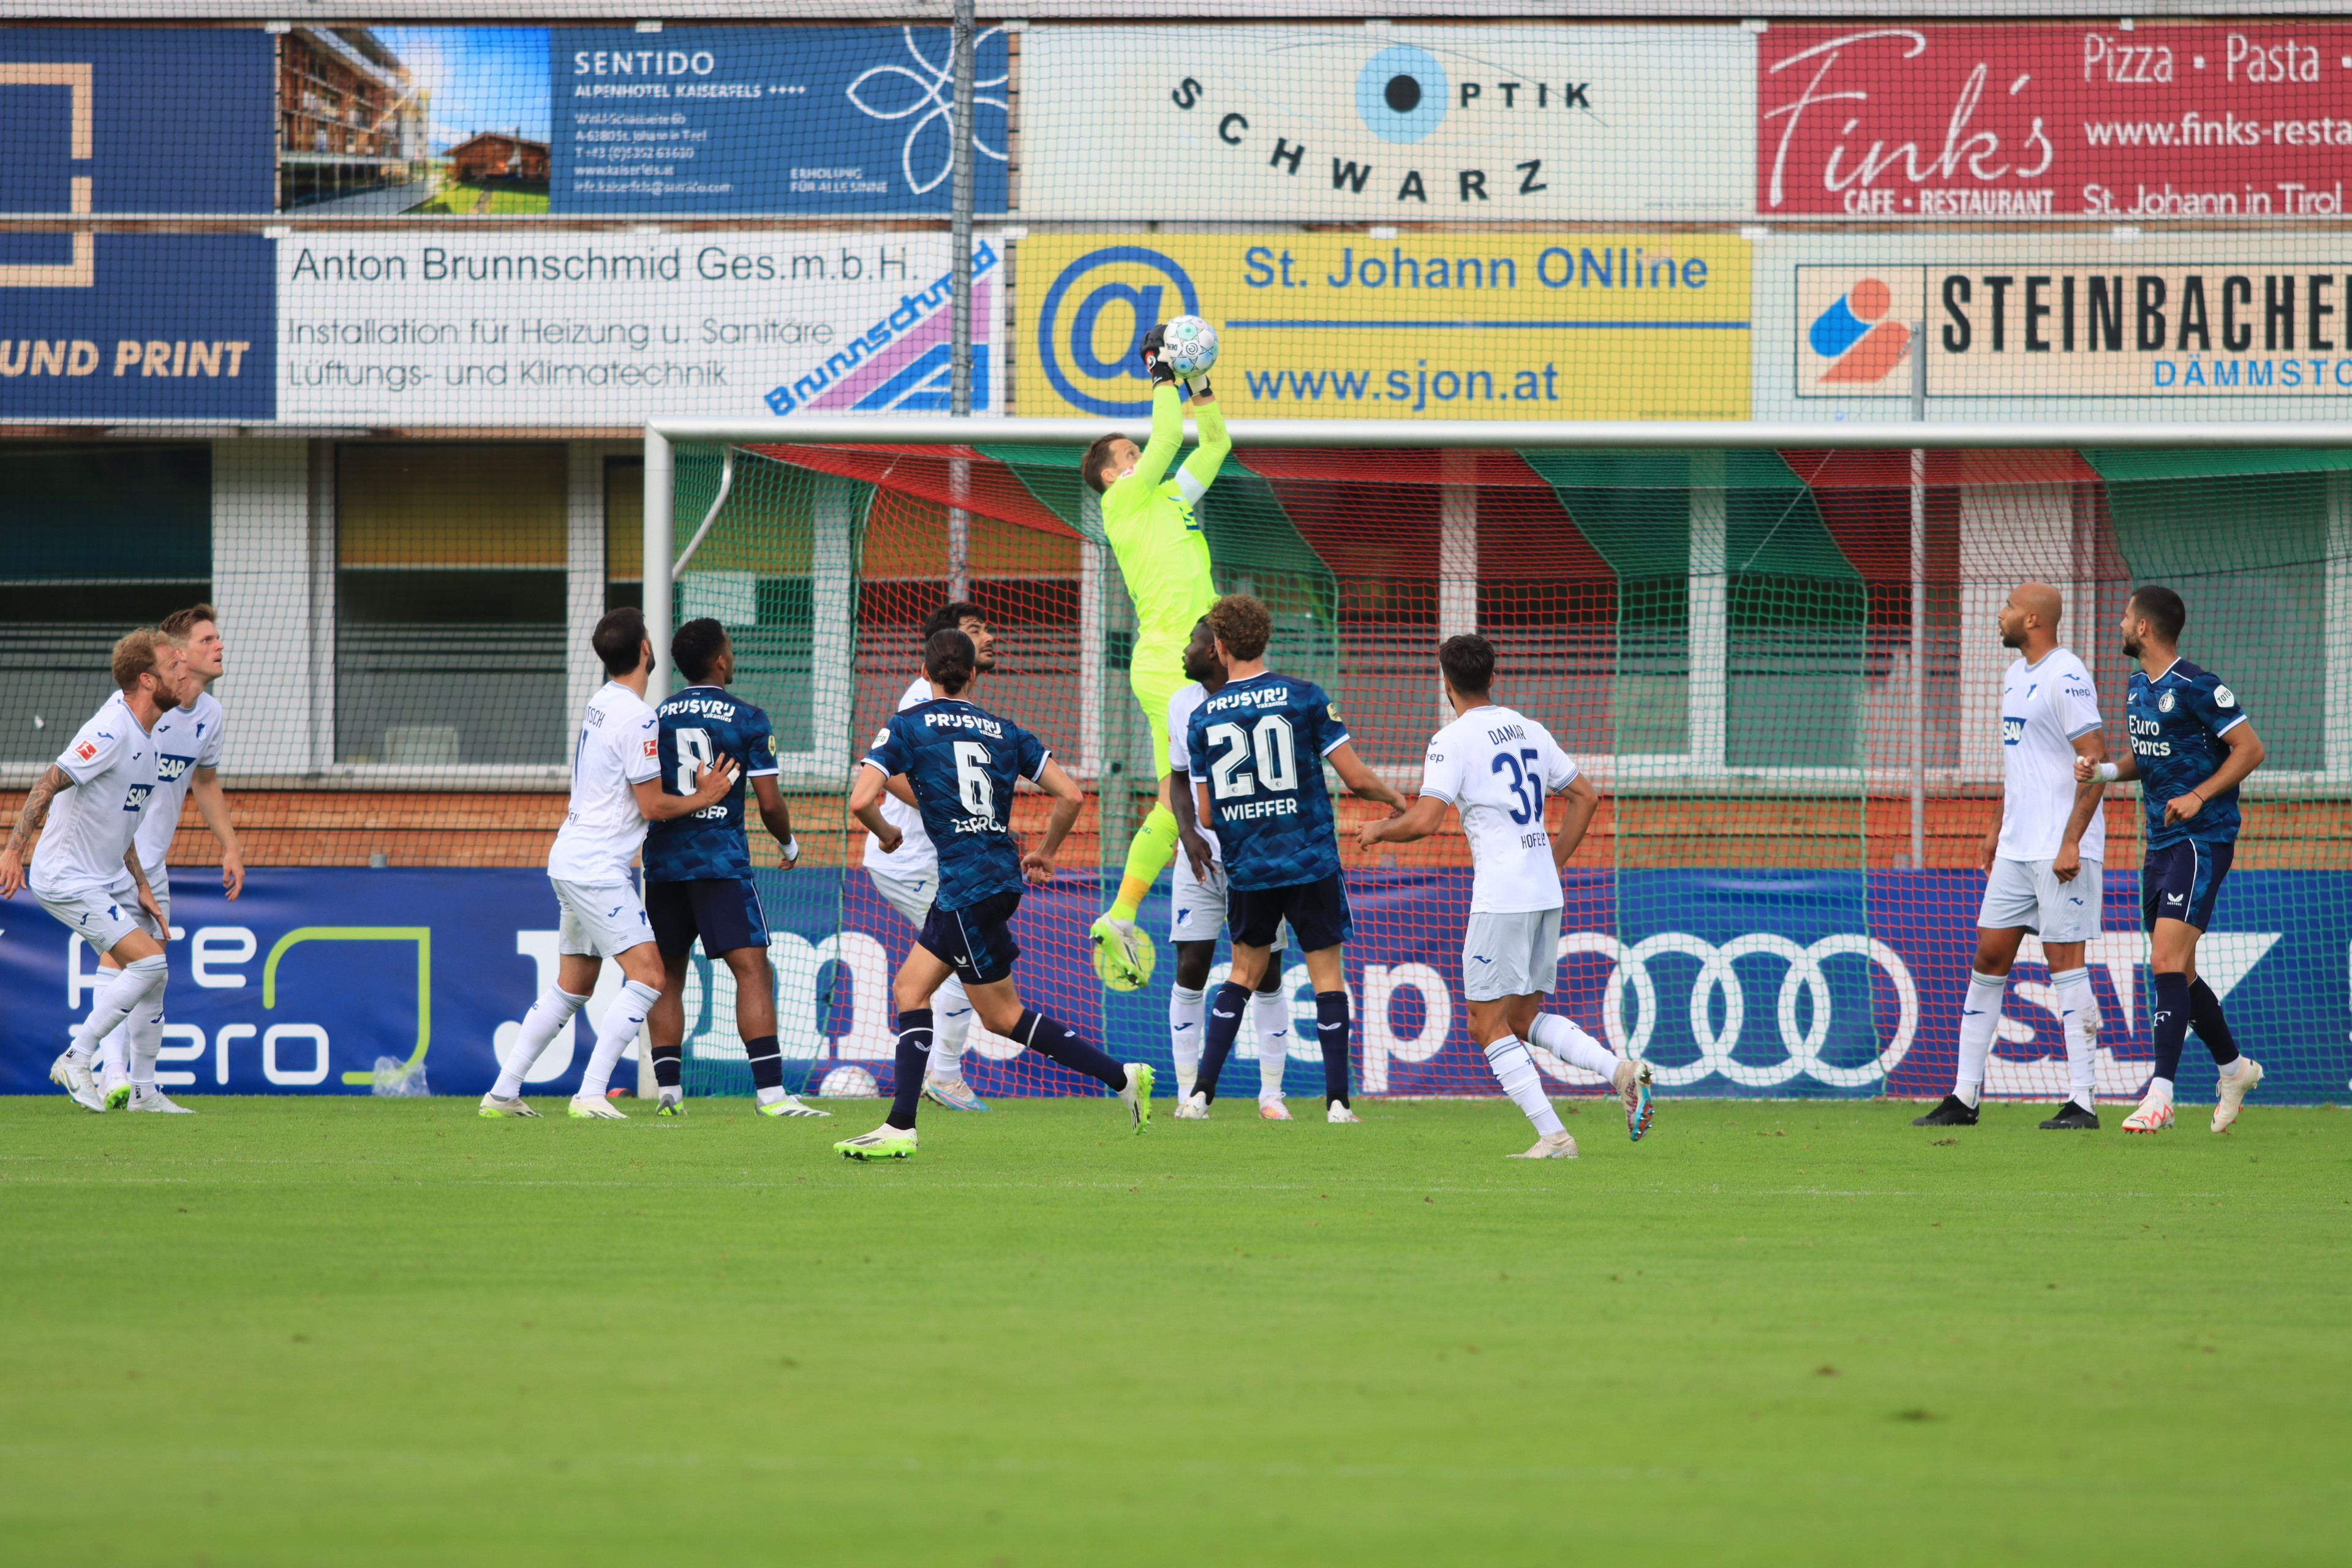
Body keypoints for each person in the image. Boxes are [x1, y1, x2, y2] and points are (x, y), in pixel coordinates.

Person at [835, 629, 1153, 1159]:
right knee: (920, 992)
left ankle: (900, 1127)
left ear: (925, 673)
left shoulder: (907, 724)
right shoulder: (1005, 730)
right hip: (996, 879)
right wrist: (1046, 851)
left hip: (965, 888)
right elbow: (1072, 795)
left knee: (993, 1014)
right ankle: (1123, 1078)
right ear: (973, 675)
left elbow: (861, 799)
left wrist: (887, 834)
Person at [1357, 635, 1648, 1157]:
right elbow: (1585, 796)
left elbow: (1425, 820)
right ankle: (1619, 1071)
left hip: (1503, 895)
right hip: (1543, 891)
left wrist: (1378, 829)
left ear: (1446, 684)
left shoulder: (1452, 739)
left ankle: (1554, 1136)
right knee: (1519, 1020)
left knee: (1483, 1023)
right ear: (1493, 678)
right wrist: (1551, 864)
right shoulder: (1530, 729)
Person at [479, 608, 737, 1120]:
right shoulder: (638, 717)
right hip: (597, 867)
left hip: (571, 858)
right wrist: (705, 795)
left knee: (573, 986)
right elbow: (653, 806)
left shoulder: (602, 702)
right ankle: (591, 1093)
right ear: (645, 650)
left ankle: (503, 1093)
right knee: (650, 976)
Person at [1181, 593, 1407, 1123]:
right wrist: (1396, 800)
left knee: (1243, 971)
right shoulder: (1305, 696)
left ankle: (1200, 1097)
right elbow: (1355, 778)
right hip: (1309, 860)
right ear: (1265, 638)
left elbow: (1206, 815)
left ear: (1219, 646)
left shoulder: (1202, 716)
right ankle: (1337, 1104)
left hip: (1250, 865)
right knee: (1326, 974)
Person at [1915, 582, 2113, 1131]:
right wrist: (1995, 830)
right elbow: (2021, 765)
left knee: (2064, 964)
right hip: (2016, 847)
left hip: (2060, 848)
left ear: (2031, 620)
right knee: (1990, 956)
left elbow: (2096, 762)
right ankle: (1964, 1097)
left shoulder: (2066, 674)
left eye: (2008, 607)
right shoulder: (2012, 675)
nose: (1999, 615)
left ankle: (2082, 1102)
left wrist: (2071, 841)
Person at [2076, 586, 2267, 1134]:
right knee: (2178, 970)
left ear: (2144, 627)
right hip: (2159, 842)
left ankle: (2161, 1094)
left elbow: (2251, 748)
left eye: (2125, 616)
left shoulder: (2197, 685)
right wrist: (2104, 772)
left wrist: (2200, 795)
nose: (2120, 623)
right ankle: (2234, 1070)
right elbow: (2149, 756)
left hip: (2202, 839)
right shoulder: (2139, 685)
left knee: (2163, 959)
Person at [1079, 331, 1226, 989]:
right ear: (1114, 475)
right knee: (1181, 797)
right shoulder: (1123, 501)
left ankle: (1122, 913)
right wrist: (1162, 372)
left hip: (1197, 659)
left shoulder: (1169, 496)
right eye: (1130, 455)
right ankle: (1121, 912)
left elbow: (1214, 445)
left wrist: (1201, 384)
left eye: (1137, 453)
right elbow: (1168, 436)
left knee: (1188, 796)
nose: (1142, 456)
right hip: (1171, 659)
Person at [641, 617, 826, 1119]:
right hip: (720, 863)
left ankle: (669, 1093)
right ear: (721, 660)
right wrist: (788, 844)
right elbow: (770, 803)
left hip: (664, 864)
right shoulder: (748, 718)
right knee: (753, 970)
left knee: (668, 974)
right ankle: (771, 1096)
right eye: (731, 647)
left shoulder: (656, 717)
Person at [0, 630, 192, 1112]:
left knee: (154, 974)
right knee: (150, 964)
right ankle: (77, 1058)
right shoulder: (110, 732)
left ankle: (143, 1093)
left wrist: (142, 884)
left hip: (106, 878)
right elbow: (48, 783)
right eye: (173, 666)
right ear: (147, 680)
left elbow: (120, 824)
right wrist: (12, 850)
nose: (183, 672)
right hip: (65, 878)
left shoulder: (149, 739)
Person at [92, 603, 244, 1109]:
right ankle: (109, 1071)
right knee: (121, 959)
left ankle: (143, 1089)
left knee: (153, 972)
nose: (219, 646)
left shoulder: (211, 715)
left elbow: (205, 781)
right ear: (178, 654)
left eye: (218, 638)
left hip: (152, 865)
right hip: (112, 855)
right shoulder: (137, 706)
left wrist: (230, 845)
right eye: (208, 640)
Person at [861, 600, 999, 1111]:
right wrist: (949, 806)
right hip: (909, 860)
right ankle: (943, 1075)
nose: (989, 637)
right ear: (947, 645)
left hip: (929, 862)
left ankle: (941, 1074)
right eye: (975, 630)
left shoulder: (952, 699)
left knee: (959, 957)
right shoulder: (923, 696)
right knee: (968, 953)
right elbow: (888, 771)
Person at [1165, 616, 1295, 1118]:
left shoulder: (1265, 701)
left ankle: (1271, 1095)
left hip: (1257, 859)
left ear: (1215, 649)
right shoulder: (1181, 704)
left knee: (1268, 973)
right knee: (1191, 966)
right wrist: (1188, 832)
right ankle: (1187, 1094)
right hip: (1200, 858)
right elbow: (1178, 778)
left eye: (1193, 641)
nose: (1185, 649)